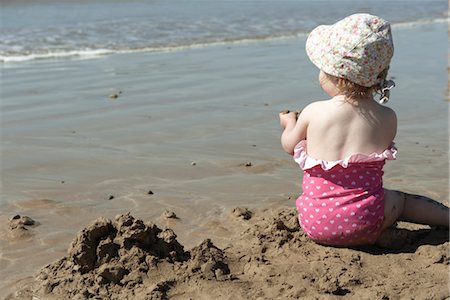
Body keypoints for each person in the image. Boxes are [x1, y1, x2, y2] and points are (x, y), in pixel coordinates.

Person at [279, 13, 449, 246]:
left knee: (328, 198)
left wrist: (290, 124)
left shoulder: (313, 111)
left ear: (336, 75)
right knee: (401, 200)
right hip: (366, 222)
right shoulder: (388, 117)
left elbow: (289, 145)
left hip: (314, 223)